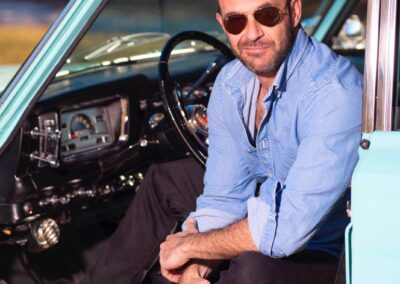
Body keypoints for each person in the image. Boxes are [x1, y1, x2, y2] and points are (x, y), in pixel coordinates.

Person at [86, 0, 363, 283]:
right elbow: (225, 198)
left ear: (294, 12)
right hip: (271, 214)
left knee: (251, 268)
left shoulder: (334, 94)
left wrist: (191, 246)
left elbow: (285, 232)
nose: (252, 33)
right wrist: (196, 267)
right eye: (236, 22)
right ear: (222, 24)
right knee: (166, 178)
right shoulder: (232, 83)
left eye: (266, 15)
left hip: (331, 253)